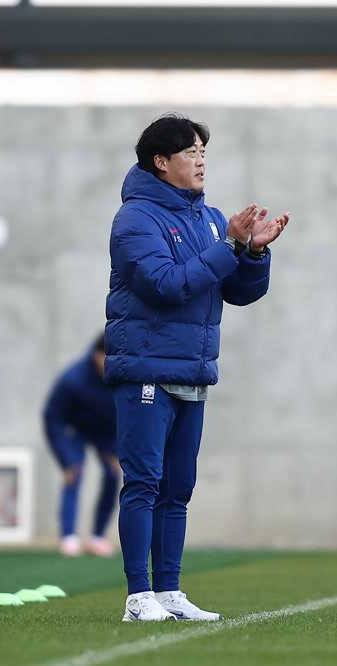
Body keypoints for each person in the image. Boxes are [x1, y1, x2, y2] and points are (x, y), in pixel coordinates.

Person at [106, 114, 288, 623]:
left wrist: (253, 252)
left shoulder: (210, 218)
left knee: (178, 488)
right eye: (190, 151)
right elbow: (164, 284)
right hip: (145, 368)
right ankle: (138, 597)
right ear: (160, 163)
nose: (201, 158)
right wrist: (228, 246)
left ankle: (168, 591)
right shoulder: (135, 218)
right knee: (143, 481)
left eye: (204, 150)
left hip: (192, 369)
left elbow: (238, 292)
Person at [42, 334, 120, 558]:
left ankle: (97, 537)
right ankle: (69, 537)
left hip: (107, 431)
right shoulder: (72, 378)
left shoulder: (122, 374)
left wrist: (118, 450)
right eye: (105, 356)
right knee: (73, 472)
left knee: (113, 475)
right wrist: (65, 459)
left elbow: (129, 414)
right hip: (75, 429)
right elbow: (52, 418)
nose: (109, 361)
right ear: (96, 355)